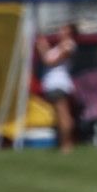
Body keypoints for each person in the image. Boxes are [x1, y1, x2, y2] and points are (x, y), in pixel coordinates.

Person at [36, 23, 78, 152]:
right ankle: (64, 142)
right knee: (60, 116)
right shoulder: (59, 47)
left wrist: (42, 48)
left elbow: (51, 61)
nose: (60, 31)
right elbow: (49, 56)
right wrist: (43, 45)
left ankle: (67, 144)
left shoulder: (69, 46)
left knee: (64, 115)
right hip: (51, 84)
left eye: (64, 29)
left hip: (59, 84)